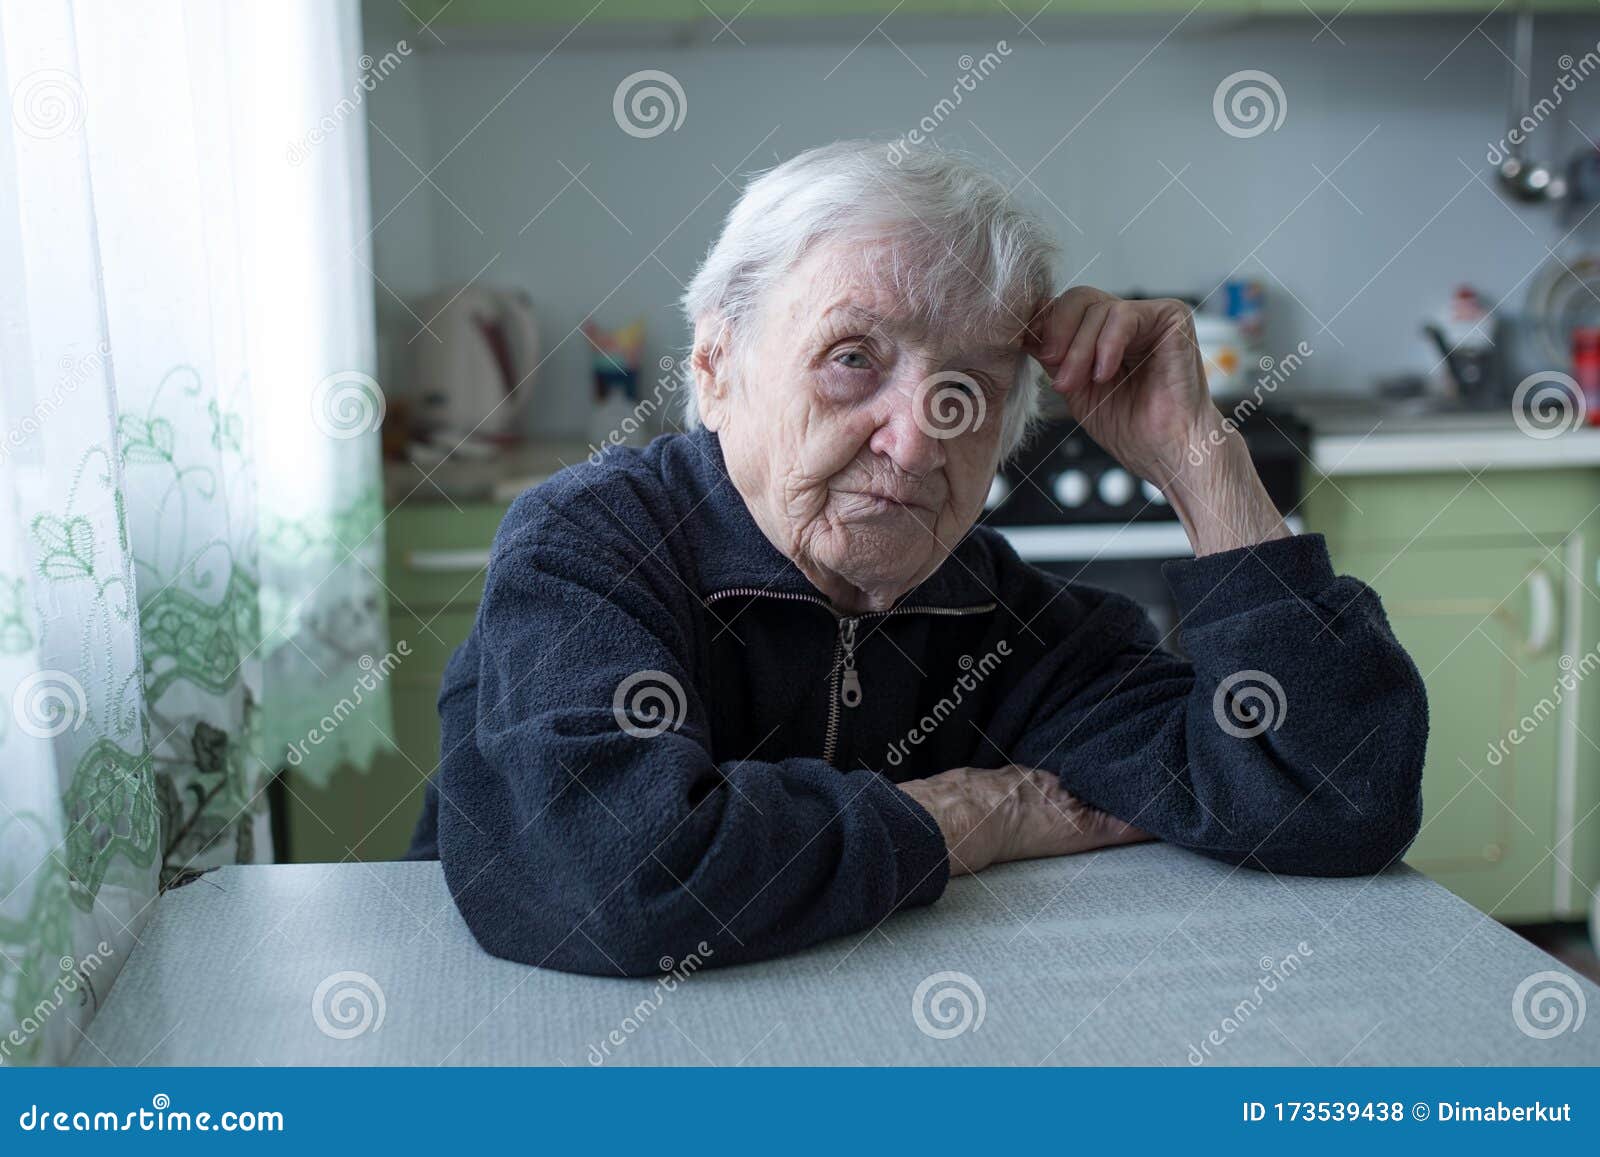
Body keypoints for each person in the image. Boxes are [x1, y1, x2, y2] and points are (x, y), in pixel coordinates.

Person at [406, 140, 1428, 977]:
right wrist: (963, 815)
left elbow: (1331, 797)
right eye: (854, 356)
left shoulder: (999, 622)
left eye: (967, 390)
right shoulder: (589, 549)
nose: (914, 439)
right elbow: (617, 883)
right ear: (716, 368)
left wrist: (1200, 462)